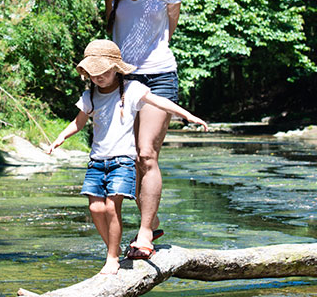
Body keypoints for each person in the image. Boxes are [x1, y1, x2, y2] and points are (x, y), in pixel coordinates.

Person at [44, 40, 207, 274]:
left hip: (122, 162)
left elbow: (160, 101)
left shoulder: (132, 89)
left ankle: (112, 258)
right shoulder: (90, 96)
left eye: (103, 73)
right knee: (96, 209)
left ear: (116, 69)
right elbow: (78, 122)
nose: (97, 78)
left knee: (112, 208)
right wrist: (60, 138)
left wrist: (188, 115)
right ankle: (115, 247)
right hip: (96, 162)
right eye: (93, 74)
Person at [97, 0, 183, 259]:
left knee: (147, 152)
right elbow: (111, 21)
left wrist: (151, 55)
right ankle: (153, 217)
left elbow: (170, 28)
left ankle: (145, 233)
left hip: (160, 73)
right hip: (123, 78)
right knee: (128, 157)